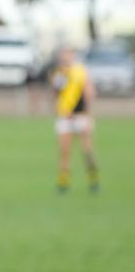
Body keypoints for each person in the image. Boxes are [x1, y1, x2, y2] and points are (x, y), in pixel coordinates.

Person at [50, 47, 99, 193]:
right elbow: (56, 94)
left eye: (68, 55)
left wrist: (88, 114)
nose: (66, 58)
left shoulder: (80, 72)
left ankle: (94, 180)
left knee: (87, 150)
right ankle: (63, 183)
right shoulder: (58, 73)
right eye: (63, 55)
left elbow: (89, 92)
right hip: (65, 116)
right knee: (64, 151)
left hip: (80, 116)